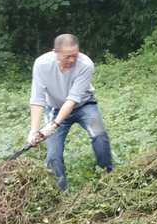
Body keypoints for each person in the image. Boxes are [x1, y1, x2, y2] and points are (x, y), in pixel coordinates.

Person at [27, 33, 113, 190]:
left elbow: (72, 100)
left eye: (75, 55)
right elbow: (37, 99)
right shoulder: (41, 64)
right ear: (56, 52)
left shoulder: (86, 64)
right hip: (54, 108)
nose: (72, 60)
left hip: (84, 105)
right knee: (53, 154)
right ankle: (61, 192)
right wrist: (34, 131)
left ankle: (109, 177)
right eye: (67, 57)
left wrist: (54, 125)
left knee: (99, 135)